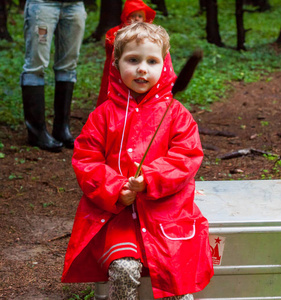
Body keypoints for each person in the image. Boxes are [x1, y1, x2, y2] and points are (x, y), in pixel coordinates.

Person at [61, 22, 213, 300]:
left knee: (173, 274)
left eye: (152, 61)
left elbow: (186, 156)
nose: (143, 68)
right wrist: (117, 189)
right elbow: (86, 159)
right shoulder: (103, 115)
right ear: (116, 64)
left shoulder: (176, 114)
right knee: (123, 269)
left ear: (164, 66)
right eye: (133, 60)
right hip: (118, 216)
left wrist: (151, 179)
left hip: (166, 213)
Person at [20, 0, 86, 152]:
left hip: (74, 5)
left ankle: (62, 129)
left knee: (68, 66)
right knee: (36, 66)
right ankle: (37, 133)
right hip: (43, 5)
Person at [96, 0, 157, 107]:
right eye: (133, 15)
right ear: (126, 16)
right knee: (114, 96)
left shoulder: (149, 34)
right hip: (117, 72)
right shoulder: (116, 32)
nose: (137, 18)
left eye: (140, 16)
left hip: (139, 71)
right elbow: (112, 46)